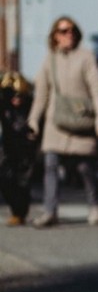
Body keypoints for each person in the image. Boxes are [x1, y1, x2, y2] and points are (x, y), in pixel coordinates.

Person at [27, 17, 98, 227]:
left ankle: (95, 205)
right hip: (56, 123)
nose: (68, 34)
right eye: (63, 31)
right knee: (50, 165)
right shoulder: (49, 60)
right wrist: (34, 120)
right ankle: (50, 211)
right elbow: (41, 94)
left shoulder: (86, 57)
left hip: (82, 121)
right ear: (55, 36)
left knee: (85, 168)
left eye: (71, 30)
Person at [0, 71, 38, 226]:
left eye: (19, 95)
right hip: (7, 148)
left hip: (26, 149)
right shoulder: (3, 106)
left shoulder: (30, 105)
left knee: (23, 182)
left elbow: (35, 123)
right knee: (5, 179)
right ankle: (16, 210)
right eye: (13, 95)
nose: (16, 99)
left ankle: (20, 212)